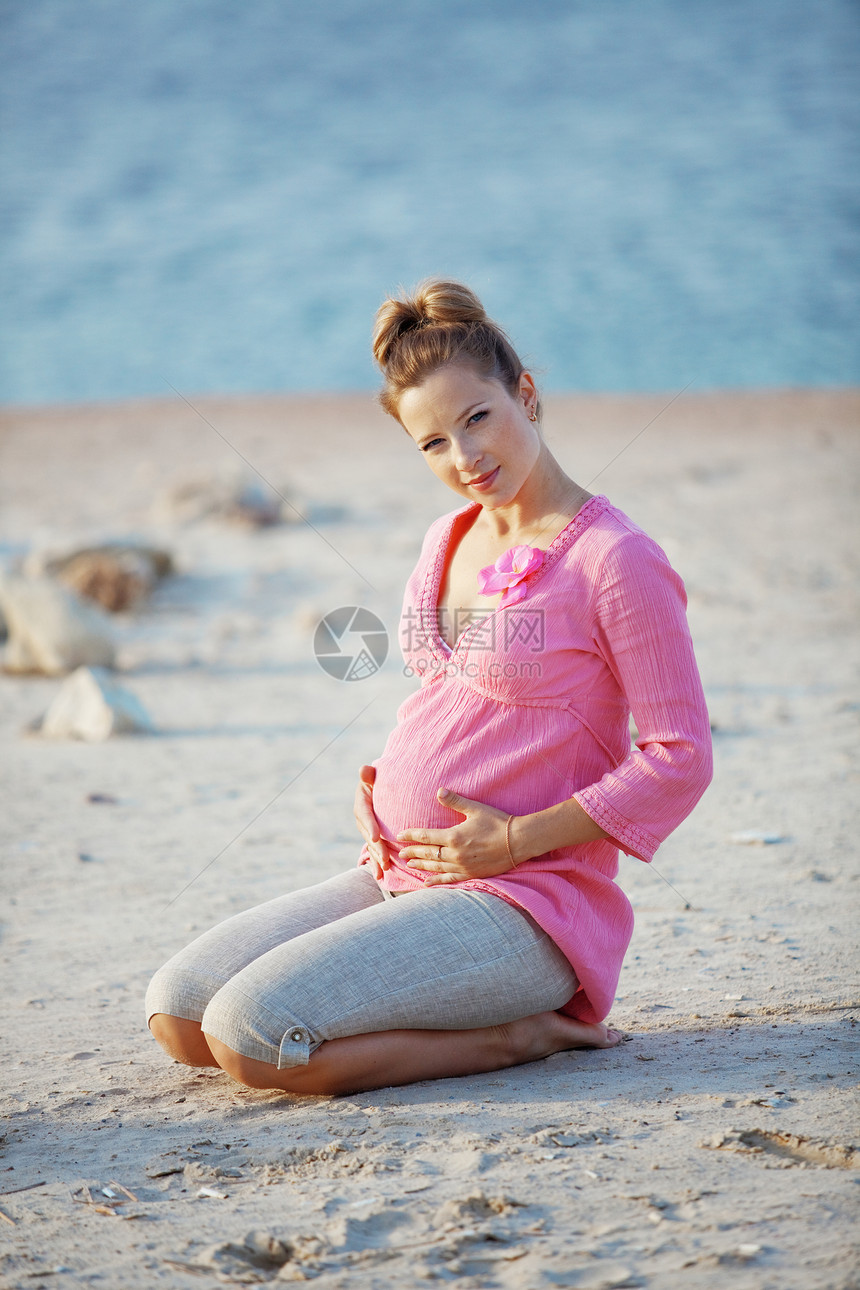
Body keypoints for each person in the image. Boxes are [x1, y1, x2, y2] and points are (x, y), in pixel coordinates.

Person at [146, 279, 712, 1096]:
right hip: (400, 870)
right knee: (180, 1014)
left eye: (477, 418)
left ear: (525, 393)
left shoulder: (615, 560)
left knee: (254, 1041)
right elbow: (452, 697)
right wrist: (385, 788)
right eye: (433, 442)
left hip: (526, 902)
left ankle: (519, 1036)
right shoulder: (445, 537)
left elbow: (680, 756)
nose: (465, 458)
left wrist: (513, 841)